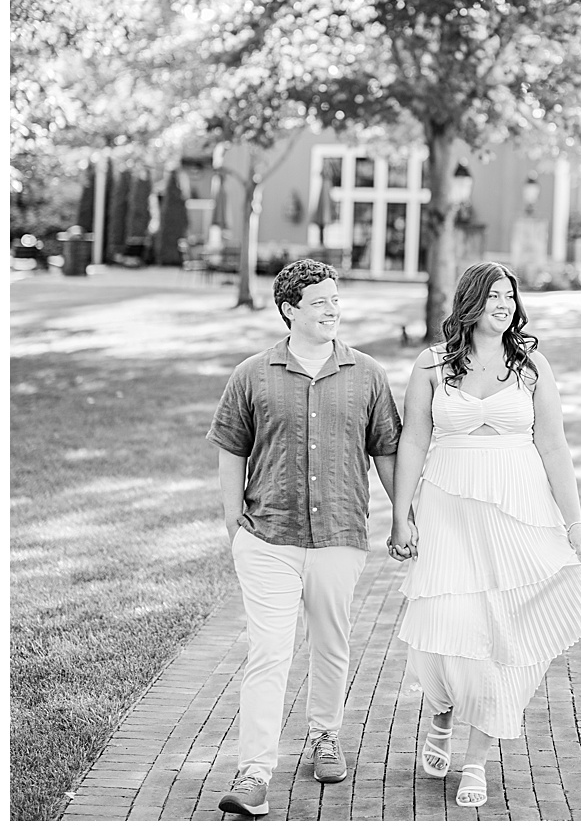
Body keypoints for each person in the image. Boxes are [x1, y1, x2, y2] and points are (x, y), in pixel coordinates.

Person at [389, 261, 581, 808]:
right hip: (448, 510)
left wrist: (573, 522)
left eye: (510, 297)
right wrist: (400, 514)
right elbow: (412, 442)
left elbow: (553, 447)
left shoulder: (530, 367)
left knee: (500, 637)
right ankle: (441, 713)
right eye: (494, 296)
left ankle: (476, 758)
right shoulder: (432, 365)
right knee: (445, 627)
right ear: (470, 302)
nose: (504, 305)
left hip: (517, 513)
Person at [208, 259, 402, 818]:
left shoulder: (366, 374)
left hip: (340, 533)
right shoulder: (251, 373)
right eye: (319, 302)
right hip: (268, 536)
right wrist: (233, 525)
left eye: (336, 300)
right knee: (269, 652)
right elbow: (230, 451)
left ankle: (325, 736)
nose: (332, 310)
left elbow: (386, 450)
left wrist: (404, 517)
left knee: (330, 644)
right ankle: (253, 773)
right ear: (290, 309)